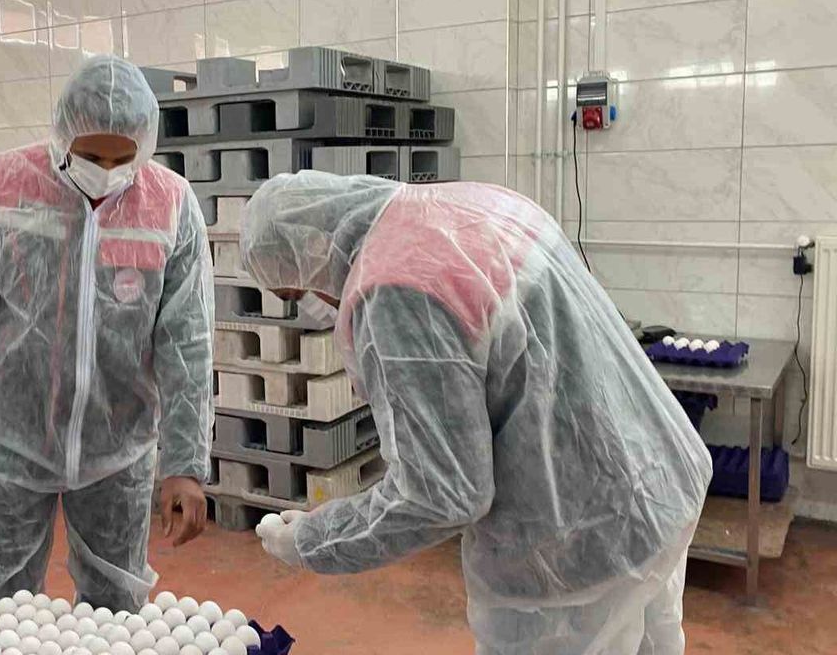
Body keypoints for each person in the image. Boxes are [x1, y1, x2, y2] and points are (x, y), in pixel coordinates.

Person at [243, 171, 712, 654]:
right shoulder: (471, 204)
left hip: (578, 547)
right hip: (658, 480)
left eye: (295, 294)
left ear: (312, 248)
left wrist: (313, 540)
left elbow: (441, 495)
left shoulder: (394, 290)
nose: (316, 306)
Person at [0, 55, 214, 615]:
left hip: (117, 447)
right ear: (63, 134)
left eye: (123, 158)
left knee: (116, 609)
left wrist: (185, 465)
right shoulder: (4, 187)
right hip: (12, 439)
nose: (107, 171)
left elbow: (187, 343)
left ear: (145, 146)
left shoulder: (170, 205)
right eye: (92, 156)